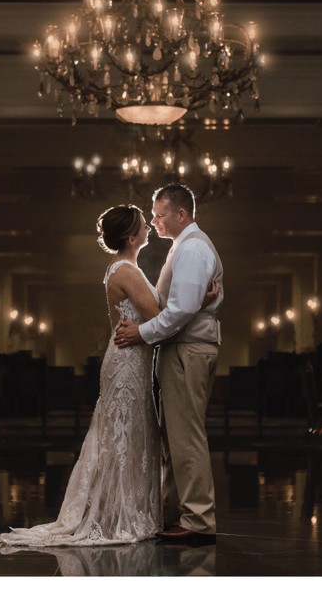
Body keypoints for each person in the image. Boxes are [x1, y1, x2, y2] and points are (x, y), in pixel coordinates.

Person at [0, 204, 164, 547]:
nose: (149, 227)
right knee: (122, 437)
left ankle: (122, 508)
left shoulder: (121, 267)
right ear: (132, 236)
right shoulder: (126, 270)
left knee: (125, 436)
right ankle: (119, 514)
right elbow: (157, 315)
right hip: (128, 361)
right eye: (144, 225)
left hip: (128, 357)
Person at [114, 183, 224, 543]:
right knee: (177, 436)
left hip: (187, 350)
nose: (155, 221)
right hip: (184, 348)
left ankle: (198, 520)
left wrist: (142, 333)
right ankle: (178, 512)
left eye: (160, 215)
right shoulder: (186, 247)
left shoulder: (191, 248)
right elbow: (181, 302)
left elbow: (179, 310)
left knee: (186, 435)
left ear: (181, 213)